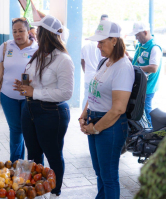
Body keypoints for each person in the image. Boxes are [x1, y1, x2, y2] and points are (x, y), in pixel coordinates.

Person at [14, 15, 74, 199]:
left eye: (38, 30)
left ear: (46, 33)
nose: (35, 33)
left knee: (53, 154)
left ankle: (55, 192)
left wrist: (35, 92)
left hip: (51, 113)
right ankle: (38, 190)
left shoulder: (63, 59)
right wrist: (25, 86)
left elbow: (66, 93)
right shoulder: (38, 54)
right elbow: (34, 81)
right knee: (33, 154)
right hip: (30, 109)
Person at [79, 20, 135, 199]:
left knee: (109, 176)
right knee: (100, 173)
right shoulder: (105, 62)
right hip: (95, 120)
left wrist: (95, 128)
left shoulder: (123, 67)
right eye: (98, 41)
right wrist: (84, 114)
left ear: (115, 41)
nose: (98, 45)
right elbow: (93, 91)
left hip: (110, 126)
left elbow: (118, 109)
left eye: (102, 41)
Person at [0, 17, 38, 162]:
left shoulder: (37, 48)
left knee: (29, 130)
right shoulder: (6, 46)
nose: (17, 34)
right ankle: (16, 164)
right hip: (8, 96)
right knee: (16, 130)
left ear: (28, 31)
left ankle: (32, 164)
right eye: (14, 31)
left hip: (29, 98)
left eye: (21, 31)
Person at [127, 22, 162, 125]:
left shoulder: (154, 47)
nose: (136, 37)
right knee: (139, 110)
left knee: (146, 108)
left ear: (145, 32)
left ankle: (152, 133)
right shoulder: (140, 45)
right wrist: (129, 58)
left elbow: (153, 68)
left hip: (148, 86)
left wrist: (133, 68)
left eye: (137, 35)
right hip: (140, 85)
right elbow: (139, 62)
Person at [81, 15, 107, 109]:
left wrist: (86, 71)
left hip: (88, 76)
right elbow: (103, 62)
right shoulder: (100, 47)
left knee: (86, 98)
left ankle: (83, 116)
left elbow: (82, 62)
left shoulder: (85, 47)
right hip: (98, 77)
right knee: (95, 100)